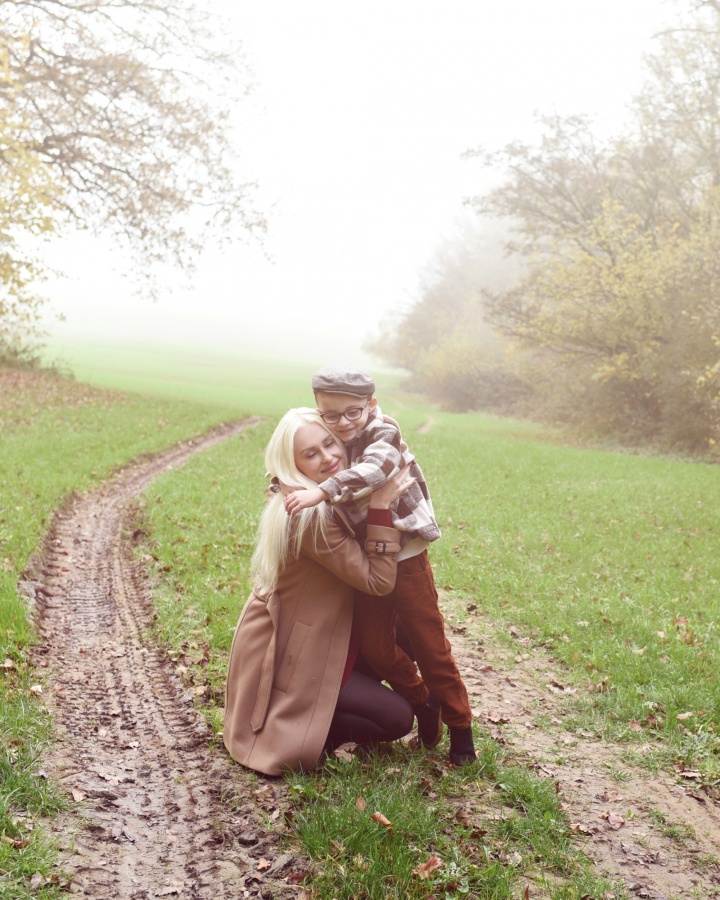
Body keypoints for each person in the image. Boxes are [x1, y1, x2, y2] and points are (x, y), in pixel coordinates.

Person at [284, 365, 476, 766]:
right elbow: (303, 460)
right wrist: (283, 483)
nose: (343, 423)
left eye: (353, 412)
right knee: (376, 646)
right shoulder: (334, 436)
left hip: (405, 554)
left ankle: (462, 730)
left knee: (430, 646)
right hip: (373, 560)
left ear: (371, 404)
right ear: (319, 411)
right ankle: (422, 700)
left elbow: (378, 468)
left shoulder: (382, 430)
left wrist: (322, 492)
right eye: (331, 415)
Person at [223, 407, 415, 777]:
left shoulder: (319, 495)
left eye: (330, 443)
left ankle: (351, 701)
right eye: (311, 454)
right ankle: (311, 729)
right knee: (397, 719)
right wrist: (380, 507)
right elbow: (377, 582)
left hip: (326, 632)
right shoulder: (310, 516)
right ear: (293, 465)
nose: (328, 457)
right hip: (300, 654)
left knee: (405, 629)